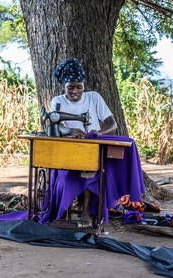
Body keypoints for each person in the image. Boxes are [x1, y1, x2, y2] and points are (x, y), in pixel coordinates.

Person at [50, 58, 118, 227]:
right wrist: (71, 131)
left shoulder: (93, 98)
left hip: (92, 148)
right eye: (70, 87)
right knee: (66, 176)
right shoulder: (58, 101)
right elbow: (56, 127)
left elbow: (112, 124)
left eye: (79, 87)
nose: (75, 91)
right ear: (64, 87)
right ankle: (62, 212)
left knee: (90, 172)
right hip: (68, 150)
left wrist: (99, 132)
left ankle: (86, 212)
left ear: (84, 86)